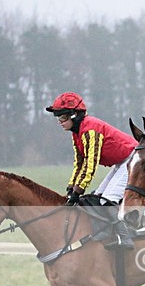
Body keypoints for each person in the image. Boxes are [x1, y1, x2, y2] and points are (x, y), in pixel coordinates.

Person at [45, 91, 135, 249]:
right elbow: (79, 163)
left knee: (107, 199)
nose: (59, 121)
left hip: (133, 159)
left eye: (62, 117)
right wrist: (71, 188)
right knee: (97, 197)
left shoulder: (90, 129)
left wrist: (78, 191)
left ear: (75, 115)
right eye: (57, 117)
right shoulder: (76, 133)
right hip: (120, 162)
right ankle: (106, 231)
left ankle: (125, 238)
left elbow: (90, 164)